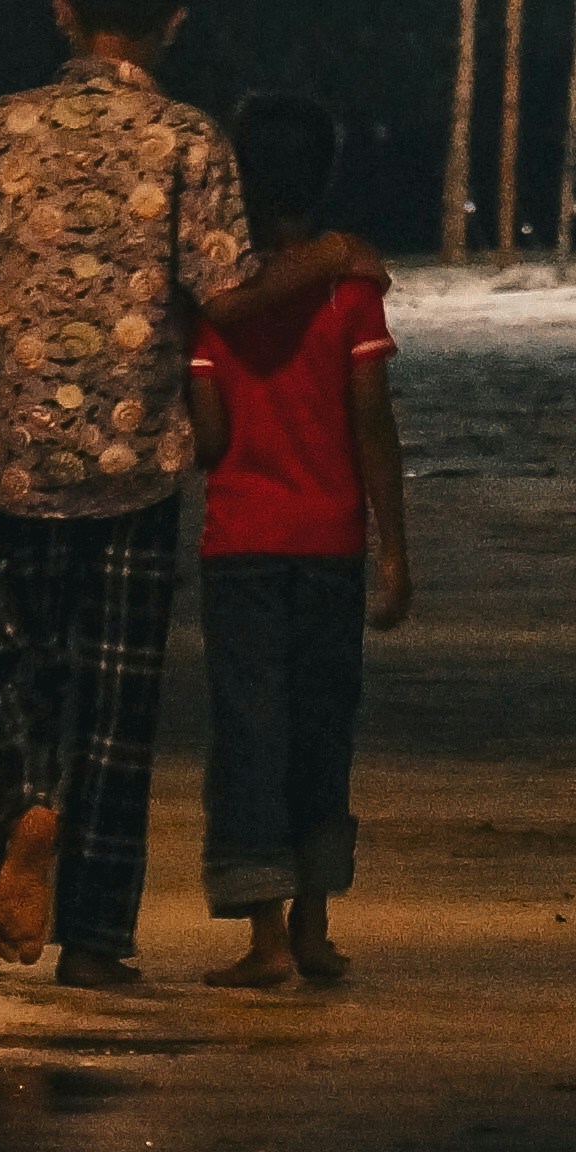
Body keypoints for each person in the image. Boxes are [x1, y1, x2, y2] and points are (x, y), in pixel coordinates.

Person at [0, 0, 382, 986]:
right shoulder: (188, 141)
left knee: (15, 665)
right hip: (136, 456)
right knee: (122, 698)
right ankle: (95, 941)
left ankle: (29, 798)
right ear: (172, 22)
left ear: (63, 9)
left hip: (16, 447)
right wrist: (327, 260)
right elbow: (226, 290)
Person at [188, 89, 411, 991]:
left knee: (250, 733)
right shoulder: (350, 287)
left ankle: (266, 939)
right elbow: (373, 425)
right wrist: (394, 547)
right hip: (330, 545)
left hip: (240, 542)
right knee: (324, 728)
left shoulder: (217, 300)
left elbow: (208, 443)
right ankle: (316, 929)